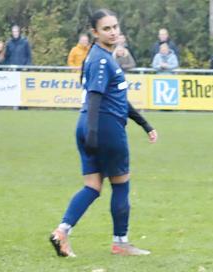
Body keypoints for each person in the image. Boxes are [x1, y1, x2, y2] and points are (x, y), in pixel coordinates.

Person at [49, 9, 158, 259]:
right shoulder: (101, 59)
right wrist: (95, 133)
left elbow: (118, 100)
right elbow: (96, 98)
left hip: (89, 124)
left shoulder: (102, 57)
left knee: (93, 186)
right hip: (104, 128)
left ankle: (62, 232)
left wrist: (145, 124)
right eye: (106, 28)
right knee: (121, 185)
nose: (113, 32)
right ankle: (121, 242)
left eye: (115, 27)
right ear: (95, 32)